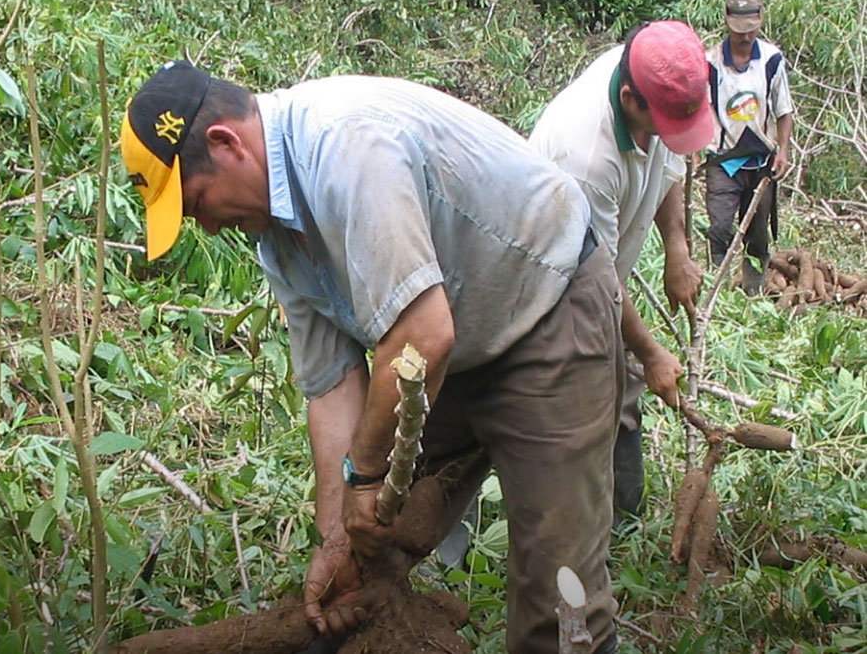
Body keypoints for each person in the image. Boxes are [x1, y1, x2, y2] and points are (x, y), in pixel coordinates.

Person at [119, 61, 623, 653]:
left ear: (226, 143)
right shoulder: (274, 233)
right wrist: (334, 538)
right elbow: (331, 386)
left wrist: (365, 474)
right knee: (372, 548)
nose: (203, 227)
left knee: (558, 593)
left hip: (549, 316)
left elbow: (420, 333)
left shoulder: (346, 148)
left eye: (195, 202)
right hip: (449, 349)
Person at [529, 21, 710, 520]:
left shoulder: (658, 78)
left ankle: (624, 521)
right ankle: (473, 541)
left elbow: (669, 161)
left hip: (600, 281)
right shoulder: (584, 154)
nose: (669, 137)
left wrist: (677, 247)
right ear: (631, 101)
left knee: (620, 386)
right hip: (547, 291)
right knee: (555, 406)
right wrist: (651, 352)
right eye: (661, 125)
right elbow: (597, 273)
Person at [705, 0, 794, 294]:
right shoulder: (711, 63)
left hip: (761, 158)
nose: (745, 37)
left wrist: (783, 150)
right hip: (723, 158)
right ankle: (717, 291)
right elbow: (702, 110)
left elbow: (784, 109)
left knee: (757, 234)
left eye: (751, 31)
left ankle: (752, 293)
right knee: (718, 228)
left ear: (760, 22)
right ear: (727, 22)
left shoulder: (771, 60)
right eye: (739, 31)